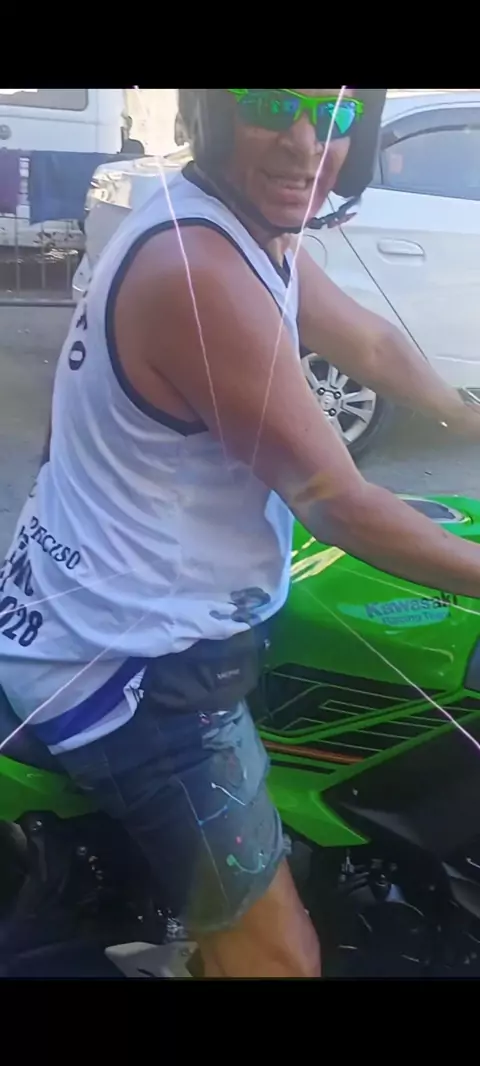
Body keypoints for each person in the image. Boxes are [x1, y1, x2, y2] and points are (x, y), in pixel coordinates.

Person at [2, 87, 480, 979]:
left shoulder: (246, 230)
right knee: (282, 962)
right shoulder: (200, 273)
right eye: (271, 104)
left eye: (334, 117)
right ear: (211, 112)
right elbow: (335, 500)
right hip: (135, 666)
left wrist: (468, 415)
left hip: (99, 591)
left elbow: (372, 346)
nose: (307, 144)